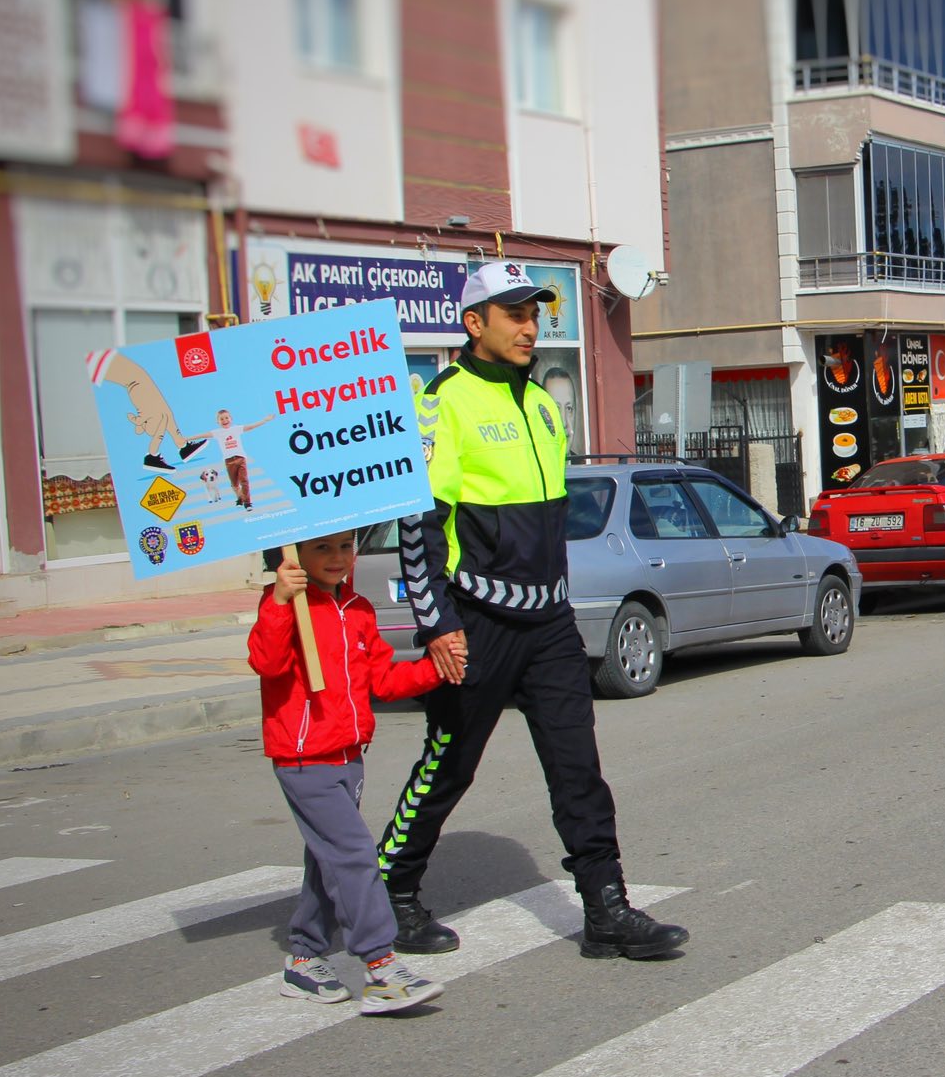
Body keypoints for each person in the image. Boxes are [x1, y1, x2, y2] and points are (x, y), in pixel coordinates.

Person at [379, 261, 687, 961]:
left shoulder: (546, 406)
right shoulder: (441, 403)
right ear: (474, 323)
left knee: (579, 768)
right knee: (447, 765)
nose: (530, 326)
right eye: (514, 313)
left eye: (535, 312)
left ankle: (606, 909)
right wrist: (438, 626)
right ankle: (391, 888)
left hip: (550, 622)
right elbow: (419, 526)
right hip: (476, 622)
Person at [248, 531, 457, 1013]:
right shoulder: (282, 604)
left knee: (329, 861)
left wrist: (436, 668)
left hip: (348, 754)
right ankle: (381, 966)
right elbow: (266, 662)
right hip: (304, 758)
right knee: (355, 855)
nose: (338, 558)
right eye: (322, 548)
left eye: (345, 546)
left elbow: (381, 681)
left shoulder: (358, 608)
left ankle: (304, 957)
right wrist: (281, 600)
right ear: (293, 555)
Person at [194, 408, 275, 509]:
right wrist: (186, 439)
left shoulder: (236, 429)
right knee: (235, 484)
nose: (225, 421)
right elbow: (202, 435)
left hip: (240, 458)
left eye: (226, 418)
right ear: (217, 422)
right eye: (222, 419)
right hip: (229, 461)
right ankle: (240, 498)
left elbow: (251, 427)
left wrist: (265, 420)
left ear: (231, 419)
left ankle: (247, 503)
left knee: (244, 481)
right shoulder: (217, 432)